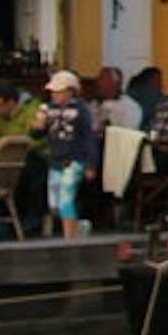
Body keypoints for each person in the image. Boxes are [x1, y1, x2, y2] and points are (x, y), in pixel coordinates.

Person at [37, 69, 101, 237]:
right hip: (55, 159)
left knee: (66, 198)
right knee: (54, 203)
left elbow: (88, 137)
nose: (55, 96)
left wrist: (90, 164)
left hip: (74, 159)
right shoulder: (48, 109)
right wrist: (39, 124)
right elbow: (37, 134)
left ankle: (69, 238)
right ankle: (78, 226)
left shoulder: (81, 110)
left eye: (59, 92)